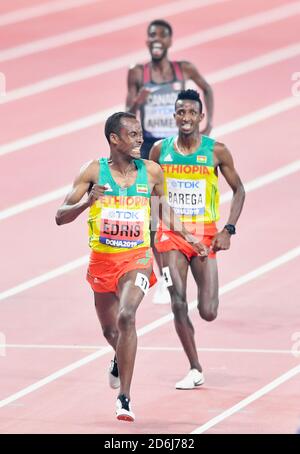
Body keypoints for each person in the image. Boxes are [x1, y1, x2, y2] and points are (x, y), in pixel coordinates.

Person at [55, 112, 208, 421]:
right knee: (110, 329)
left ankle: (124, 397)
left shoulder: (151, 172)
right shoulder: (92, 172)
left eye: (140, 133)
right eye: (133, 134)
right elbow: (59, 215)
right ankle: (117, 357)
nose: (141, 138)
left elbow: (164, 211)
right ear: (114, 139)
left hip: (136, 259)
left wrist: (191, 238)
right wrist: (87, 202)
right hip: (102, 260)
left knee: (127, 316)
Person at [149, 89, 245, 389]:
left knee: (208, 312)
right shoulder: (159, 151)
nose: (186, 118)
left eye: (192, 113)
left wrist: (227, 229)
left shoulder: (216, 151)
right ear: (174, 116)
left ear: (201, 117)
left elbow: (239, 189)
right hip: (171, 234)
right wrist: (154, 243)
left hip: (205, 234)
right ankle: (195, 367)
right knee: (178, 302)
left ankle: (196, 354)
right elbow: (154, 200)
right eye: (181, 112)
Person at [126, 19, 214, 303]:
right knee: (153, 210)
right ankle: (165, 277)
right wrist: (138, 102)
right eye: (152, 36)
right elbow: (127, 111)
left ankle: (180, 261)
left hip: (180, 143)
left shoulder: (183, 69)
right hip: (152, 146)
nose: (156, 40)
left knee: (172, 202)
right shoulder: (138, 72)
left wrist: (209, 124)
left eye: (162, 36)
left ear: (170, 41)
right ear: (147, 40)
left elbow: (206, 89)